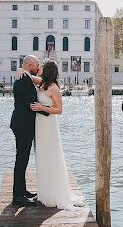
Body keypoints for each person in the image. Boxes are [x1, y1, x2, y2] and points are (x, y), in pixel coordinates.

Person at [26, 60, 84, 210]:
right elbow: (28, 76)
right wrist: (22, 71)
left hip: (49, 126)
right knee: (41, 156)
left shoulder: (54, 88)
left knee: (50, 156)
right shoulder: (41, 83)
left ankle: (52, 194)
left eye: (42, 68)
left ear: (47, 71)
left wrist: (41, 107)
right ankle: (44, 191)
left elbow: (59, 110)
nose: (39, 69)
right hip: (39, 125)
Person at [10, 55, 49, 207]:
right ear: (30, 65)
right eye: (37, 65)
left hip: (23, 124)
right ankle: (17, 196)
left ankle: (22, 190)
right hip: (22, 125)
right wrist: (48, 111)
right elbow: (31, 103)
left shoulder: (25, 77)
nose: (38, 68)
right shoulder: (22, 80)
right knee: (21, 159)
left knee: (23, 159)